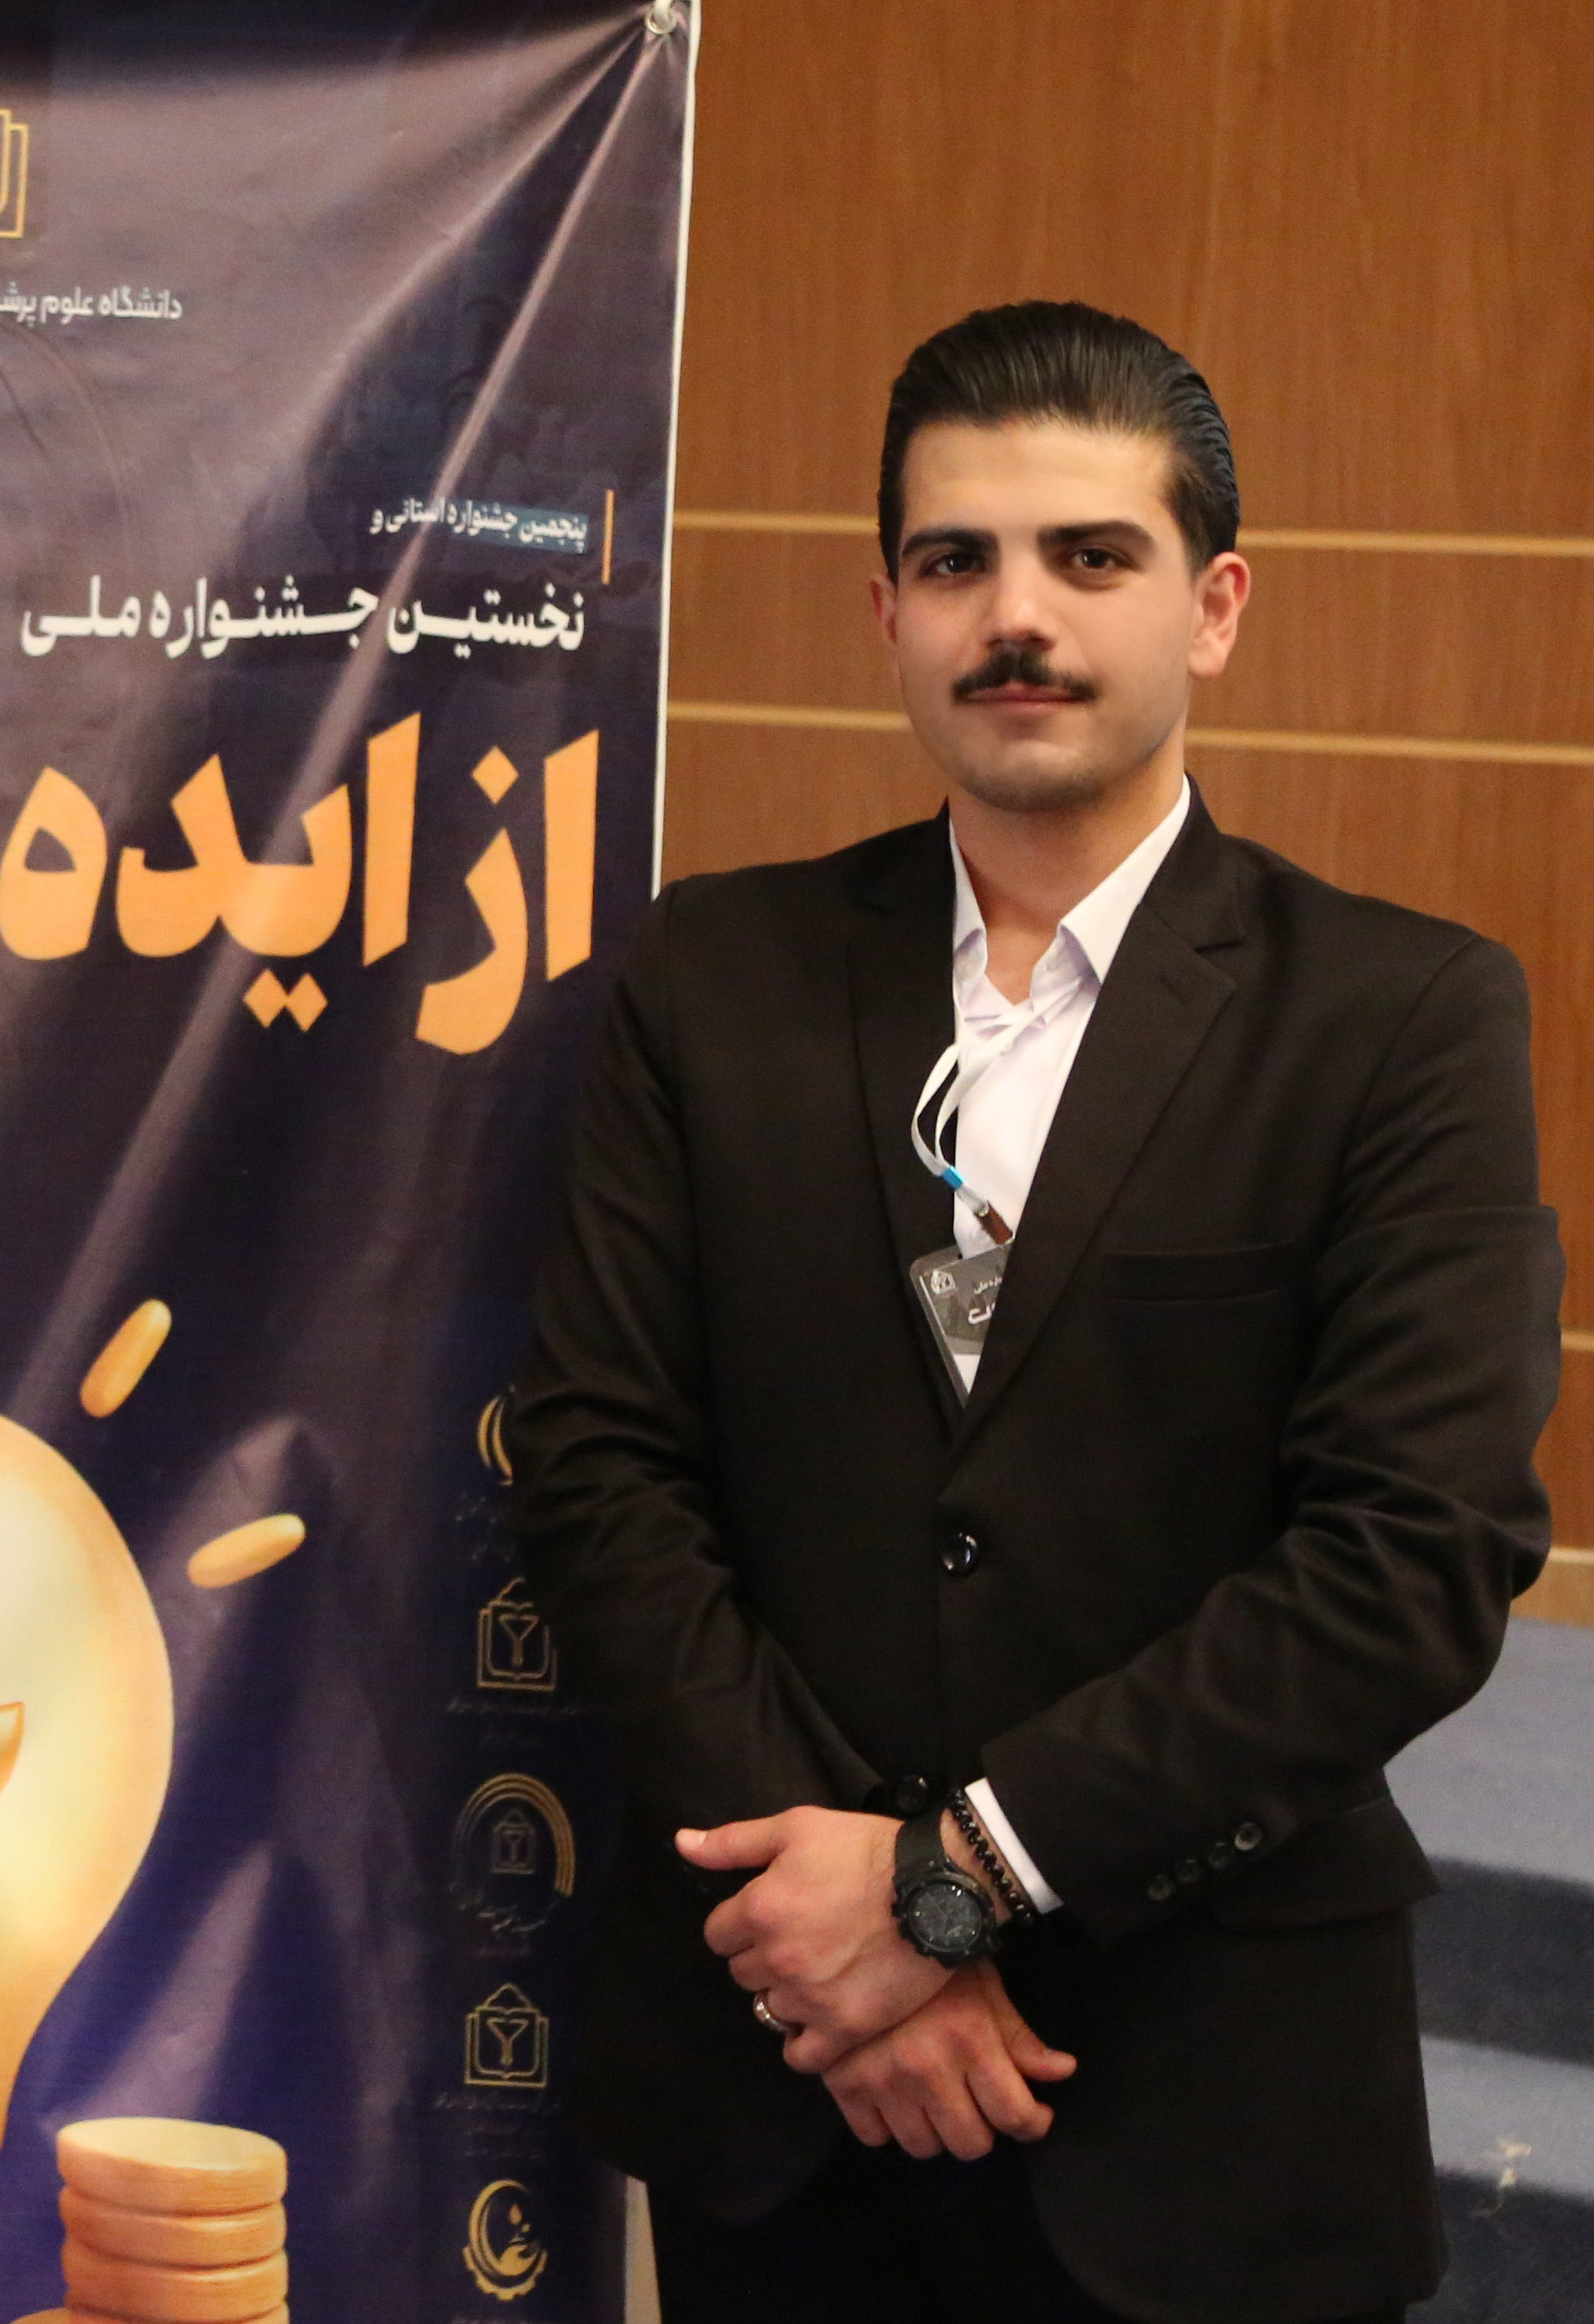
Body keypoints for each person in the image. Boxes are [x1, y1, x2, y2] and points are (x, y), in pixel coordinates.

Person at [505, 301, 1563, 2324]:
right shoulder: (711, 979)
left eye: (1092, 556)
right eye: (954, 560)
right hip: (783, 2072)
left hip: (1207, 2092)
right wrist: (836, 1925)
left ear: (1214, 606)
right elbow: (598, 1467)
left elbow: (1412, 1555)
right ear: (886, 614)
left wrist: (948, 1881)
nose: (1018, 616)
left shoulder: (1402, 1016)